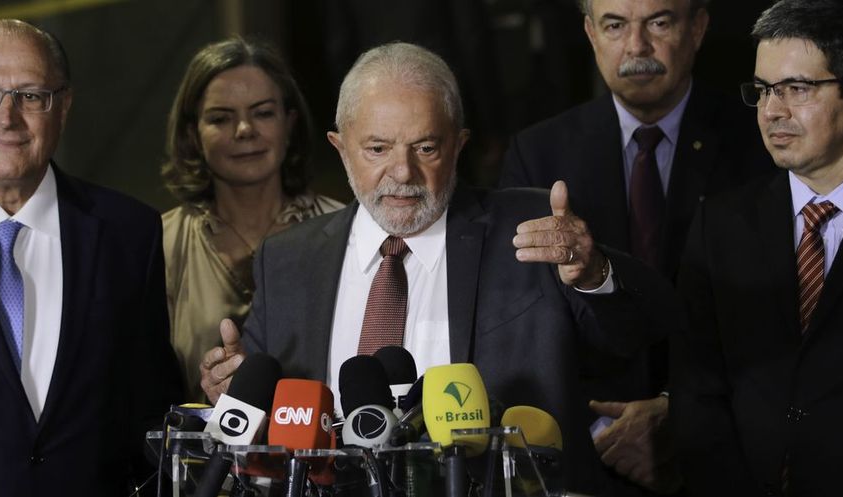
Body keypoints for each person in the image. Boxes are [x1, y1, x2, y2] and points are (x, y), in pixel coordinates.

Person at [199, 42, 680, 493]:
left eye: (425, 147)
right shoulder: (288, 259)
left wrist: (594, 275)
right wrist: (230, 386)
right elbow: (257, 411)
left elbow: (644, 330)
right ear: (340, 147)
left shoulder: (532, 229)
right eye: (377, 149)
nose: (403, 172)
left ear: (458, 144)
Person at [499, 0, 773, 491]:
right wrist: (605, 433)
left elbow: (778, 309)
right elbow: (524, 326)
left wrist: (678, 412)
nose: (636, 46)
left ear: (698, 28)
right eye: (615, 25)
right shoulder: (537, 154)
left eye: (659, 23)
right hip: (589, 454)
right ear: (590, 33)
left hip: (727, 451)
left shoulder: (760, 143)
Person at [672, 1, 843, 495]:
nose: (772, 111)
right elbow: (697, 391)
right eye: (763, 90)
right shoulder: (720, 225)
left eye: (797, 89)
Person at [0, 19, 181, 496]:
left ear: (63, 106)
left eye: (30, 95)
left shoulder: (130, 234)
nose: (6, 117)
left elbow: (149, 413)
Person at [160, 37, 342, 402]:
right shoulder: (159, 243)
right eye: (221, 118)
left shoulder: (345, 229)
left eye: (263, 113)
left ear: (290, 122)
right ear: (193, 133)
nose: (244, 129)